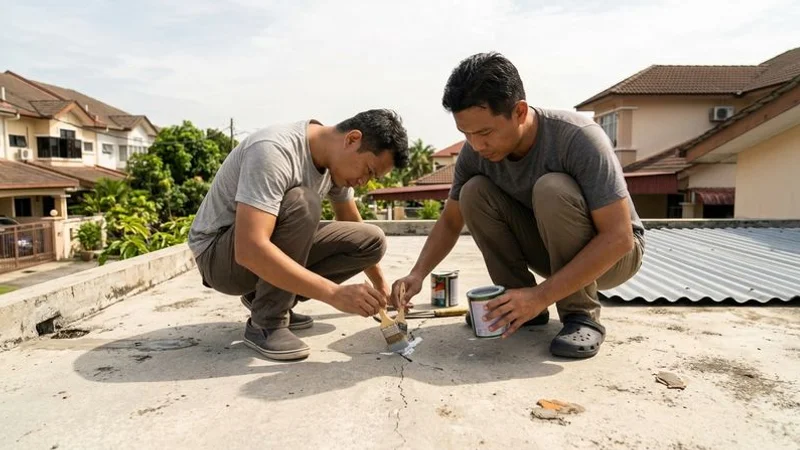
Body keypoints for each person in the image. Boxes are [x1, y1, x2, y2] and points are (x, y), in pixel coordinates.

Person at [390, 53, 645, 358]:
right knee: (473, 192)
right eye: (465, 134)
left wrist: (541, 294)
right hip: (549, 247)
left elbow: (619, 238)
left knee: (551, 189)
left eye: (485, 132)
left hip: (616, 256)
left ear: (520, 111)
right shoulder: (475, 153)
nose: (476, 145)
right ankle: (515, 306)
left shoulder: (578, 138)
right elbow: (450, 221)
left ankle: (581, 315)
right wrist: (417, 274)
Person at [189, 109, 409, 361]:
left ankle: (262, 296)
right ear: (352, 139)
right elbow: (249, 249)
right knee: (303, 202)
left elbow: (351, 222)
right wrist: (334, 294)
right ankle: (267, 321)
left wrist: (382, 289)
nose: (364, 181)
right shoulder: (274, 150)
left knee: (371, 240)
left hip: (247, 253)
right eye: (369, 171)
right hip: (218, 257)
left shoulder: (334, 165)